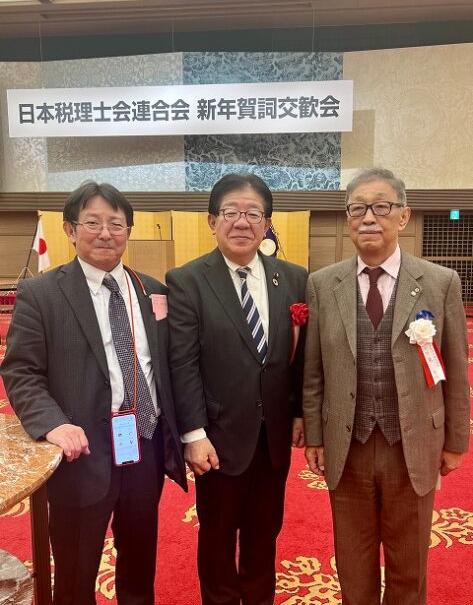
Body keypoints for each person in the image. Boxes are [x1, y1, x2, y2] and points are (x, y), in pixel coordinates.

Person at [0, 181, 187, 605]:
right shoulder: (42, 293)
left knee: (139, 558)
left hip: (144, 444)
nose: (106, 233)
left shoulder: (152, 290)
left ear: (128, 231)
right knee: (76, 567)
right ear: (70, 229)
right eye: (92, 223)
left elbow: (169, 364)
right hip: (81, 452)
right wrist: (53, 424)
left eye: (116, 224)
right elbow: (21, 371)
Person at [303, 167, 470, 605]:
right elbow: (314, 371)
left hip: (412, 443)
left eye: (381, 207)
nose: (369, 218)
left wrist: (456, 441)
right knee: (352, 561)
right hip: (348, 445)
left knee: (409, 564)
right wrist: (315, 436)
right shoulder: (323, 284)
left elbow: (456, 369)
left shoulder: (440, 282)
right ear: (347, 218)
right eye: (358, 208)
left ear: (403, 215)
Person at [166, 173, 307, 605]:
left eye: (253, 213)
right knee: (218, 536)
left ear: (267, 224)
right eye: (231, 212)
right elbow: (183, 363)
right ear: (212, 221)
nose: (242, 222)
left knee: (265, 533)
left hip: (273, 436)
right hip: (218, 437)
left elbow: (301, 357)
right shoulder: (188, 280)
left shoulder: (294, 278)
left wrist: (299, 413)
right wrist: (194, 434)